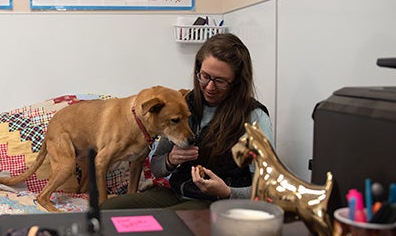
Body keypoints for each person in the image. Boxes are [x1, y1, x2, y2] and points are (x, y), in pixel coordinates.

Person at [100, 32, 273, 210]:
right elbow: (157, 167)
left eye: (220, 81)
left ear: (237, 81)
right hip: (175, 193)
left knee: (166, 223)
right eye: (205, 76)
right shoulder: (184, 104)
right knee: (107, 210)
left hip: (215, 203)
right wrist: (170, 160)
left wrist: (227, 192)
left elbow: (266, 188)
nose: (209, 87)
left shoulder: (254, 118)